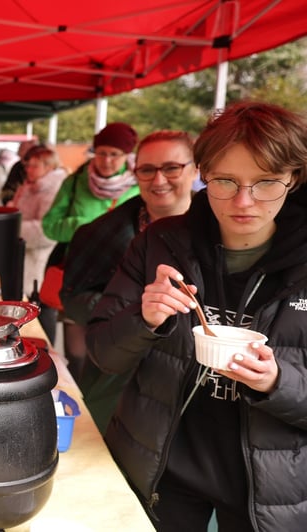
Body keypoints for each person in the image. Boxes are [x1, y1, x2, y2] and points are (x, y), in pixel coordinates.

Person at [87, 101, 307, 531]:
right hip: (159, 466)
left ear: (293, 178)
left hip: (272, 485)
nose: (244, 201)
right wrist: (144, 319)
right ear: (204, 174)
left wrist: (276, 383)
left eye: (266, 183)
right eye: (225, 181)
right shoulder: (161, 244)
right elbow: (103, 355)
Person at [60, 130, 196, 432]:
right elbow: (73, 296)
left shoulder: (221, 234)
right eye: (147, 170)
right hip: (116, 384)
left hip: (192, 393)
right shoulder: (99, 234)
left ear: (196, 168)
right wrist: (137, 315)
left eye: (172, 168)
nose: (159, 180)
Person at [41, 122, 139, 362]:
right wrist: (87, 227)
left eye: (114, 154)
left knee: (112, 348)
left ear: (127, 155)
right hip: (79, 274)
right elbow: (49, 226)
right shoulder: (74, 182)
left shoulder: (139, 186)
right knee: (77, 353)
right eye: (101, 153)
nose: (106, 160)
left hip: (120, 277)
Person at [7, 146, 67, 299]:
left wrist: (10, 229)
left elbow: (46, 231)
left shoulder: (53, 190)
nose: (29, 169)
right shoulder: (29, 186)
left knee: (39, 306)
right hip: (22, 254)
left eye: (35, 166)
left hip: (39, 260)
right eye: (28, 165)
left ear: (50, 167)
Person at [0, 139, 39, 205]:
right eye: (20, 149)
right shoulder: (17, 167)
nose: (19, 152)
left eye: (22, 149)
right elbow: (7, 189)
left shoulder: (40, 168)